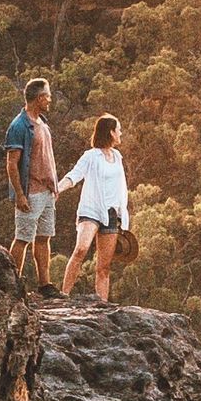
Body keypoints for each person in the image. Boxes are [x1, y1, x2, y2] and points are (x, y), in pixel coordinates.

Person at [58, 112, 132, 301]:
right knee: (81, 249)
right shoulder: (91, 156)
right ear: (110, 132)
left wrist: (123, 214)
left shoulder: (117, 156)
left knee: (104, 266)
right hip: (91, 210)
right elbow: (74, 175)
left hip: (112, 213)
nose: (121, 133)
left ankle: (102, 303)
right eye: (119, 130)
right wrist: (57, 189)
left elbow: (120, 187)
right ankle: (63, 295)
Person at [0, 75, 63, 287]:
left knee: (44, 237)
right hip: (31, 192)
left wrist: (54, 185)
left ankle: (45, 285)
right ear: (39, 98)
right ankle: (12, 285)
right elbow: (12, 164)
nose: (50, 100)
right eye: (48, 96)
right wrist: (19, 195)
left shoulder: (42, 123)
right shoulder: (19, 126)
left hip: (46, 191)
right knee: (23, 238)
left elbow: (47, 156)